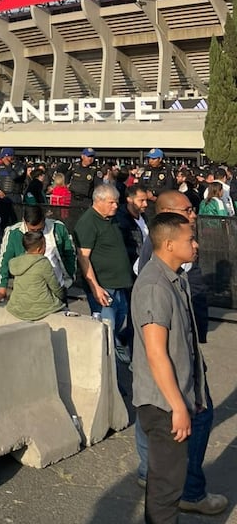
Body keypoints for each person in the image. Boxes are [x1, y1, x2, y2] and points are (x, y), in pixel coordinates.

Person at [132, 190, 226, 516]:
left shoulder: (176, 279)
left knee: (167, 480)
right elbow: (157, 354)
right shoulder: (156, 286)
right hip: (163, 403)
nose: (196, 244)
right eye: (190, 238)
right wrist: (178, 407)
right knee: (166, 487)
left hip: (178, 395)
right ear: (169, 244)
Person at [74, 184, 134, 364]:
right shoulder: (88, 222)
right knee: (106, 332)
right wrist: (95, 288)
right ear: (98, 201)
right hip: (104, 287)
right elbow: (84, 258)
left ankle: (113, 361)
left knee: (117, 326)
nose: (116, 206)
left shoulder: (111, 219)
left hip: (118, 285)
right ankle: (106, 370)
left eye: (116, 202)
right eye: (111, 203)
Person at [0, 204, 76, 305]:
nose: (36, 232)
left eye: (39, 229)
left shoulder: (58, 228)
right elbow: (3, 261)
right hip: (27, 291)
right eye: (32, 230)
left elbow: (70, 253)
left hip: (57, 288)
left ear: (44, 219)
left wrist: (69, 279)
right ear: (24, 222)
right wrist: (2, 287)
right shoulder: (13, 233)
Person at [5, 231, 65, 321]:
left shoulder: (17, 262)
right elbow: (54, 286)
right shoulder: (43, 262)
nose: (46, 248)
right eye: (45, 245)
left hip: (18, 307)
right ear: (38, 249)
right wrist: (62, 296)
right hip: (41, 308)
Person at [115, 184, 149, 270]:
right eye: (141, 200)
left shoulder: (145, 217)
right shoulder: (121, 221)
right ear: (129, 200)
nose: (145, 204)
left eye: (146, 200)